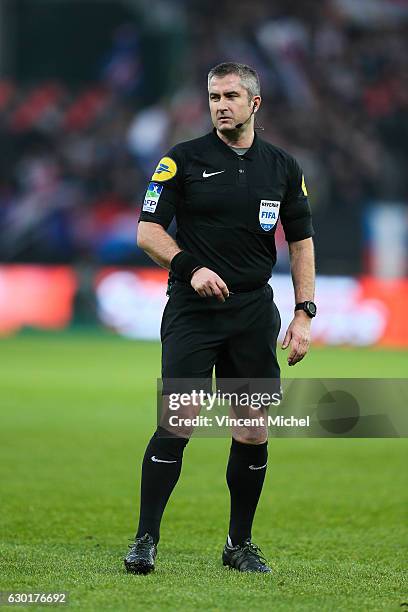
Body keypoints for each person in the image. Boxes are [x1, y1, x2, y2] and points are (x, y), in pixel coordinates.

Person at [124, 62, 316, 574]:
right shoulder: (181, 160)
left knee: (253, 430)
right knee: (178, 421)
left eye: (231, 95)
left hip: (253, 311)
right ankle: (144, 539)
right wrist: (191, 267)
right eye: (213, 96)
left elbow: (300, 242)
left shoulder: (282, 167)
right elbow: (147, 231)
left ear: (254, 103)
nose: (220, 104)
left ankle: (239, 544)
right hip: (193, 310)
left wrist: (303, 312)